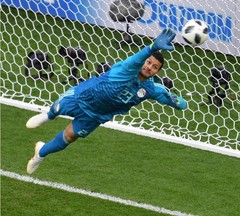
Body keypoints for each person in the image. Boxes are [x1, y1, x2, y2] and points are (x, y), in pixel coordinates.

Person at [26, 29, 187, 174]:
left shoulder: (151, 89)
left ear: (157, 72)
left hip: (96, 115)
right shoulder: (128, 68)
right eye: (149, 62)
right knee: (57, 109)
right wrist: (152, 48)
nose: (149, 67)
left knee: (69, 137)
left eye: (155, 67)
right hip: (83, 96)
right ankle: (48, 115)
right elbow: (138, 58)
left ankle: (40, 153)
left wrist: (177, 101)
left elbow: (177, 102)